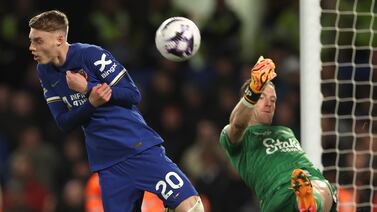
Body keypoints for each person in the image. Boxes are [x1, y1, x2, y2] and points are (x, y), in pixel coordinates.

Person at [28, 10, 204, 212]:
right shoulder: (45, 72)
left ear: (59, 39)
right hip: (107, 164)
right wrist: (91, 102)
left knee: (192, 208)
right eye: (32, 41)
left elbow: (132, 94)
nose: (31, 47)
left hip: (137, 147)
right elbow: (64, 122)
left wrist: (88, 88)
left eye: (38, 41)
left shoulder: (91, 55)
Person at [219, 56, 338, 211]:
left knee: (325, 188)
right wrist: (254, 89)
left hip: (309, 182)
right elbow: (237, 123)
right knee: (321, 189)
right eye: (261, 97)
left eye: (273, 100)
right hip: (278, 193)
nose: (269, 103)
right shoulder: (240, 137)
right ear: (247, 100)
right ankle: (310, 203)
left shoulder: (285, 131)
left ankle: (309, 203)